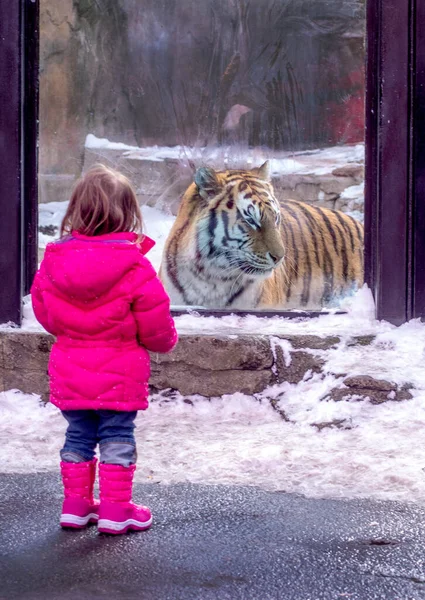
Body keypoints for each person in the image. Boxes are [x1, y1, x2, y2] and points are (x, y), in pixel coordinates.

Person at [31, 164, 178, 535]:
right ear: (128, 213)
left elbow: (44, 313)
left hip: (70, 369)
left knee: (78, 436)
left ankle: (76, 507)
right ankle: (115, 510)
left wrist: (72, 331)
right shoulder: (135, 266)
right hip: (121, 375)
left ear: (75, 210)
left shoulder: (53, 260)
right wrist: (163, 343)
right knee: (117, 436)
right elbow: (157, 324)